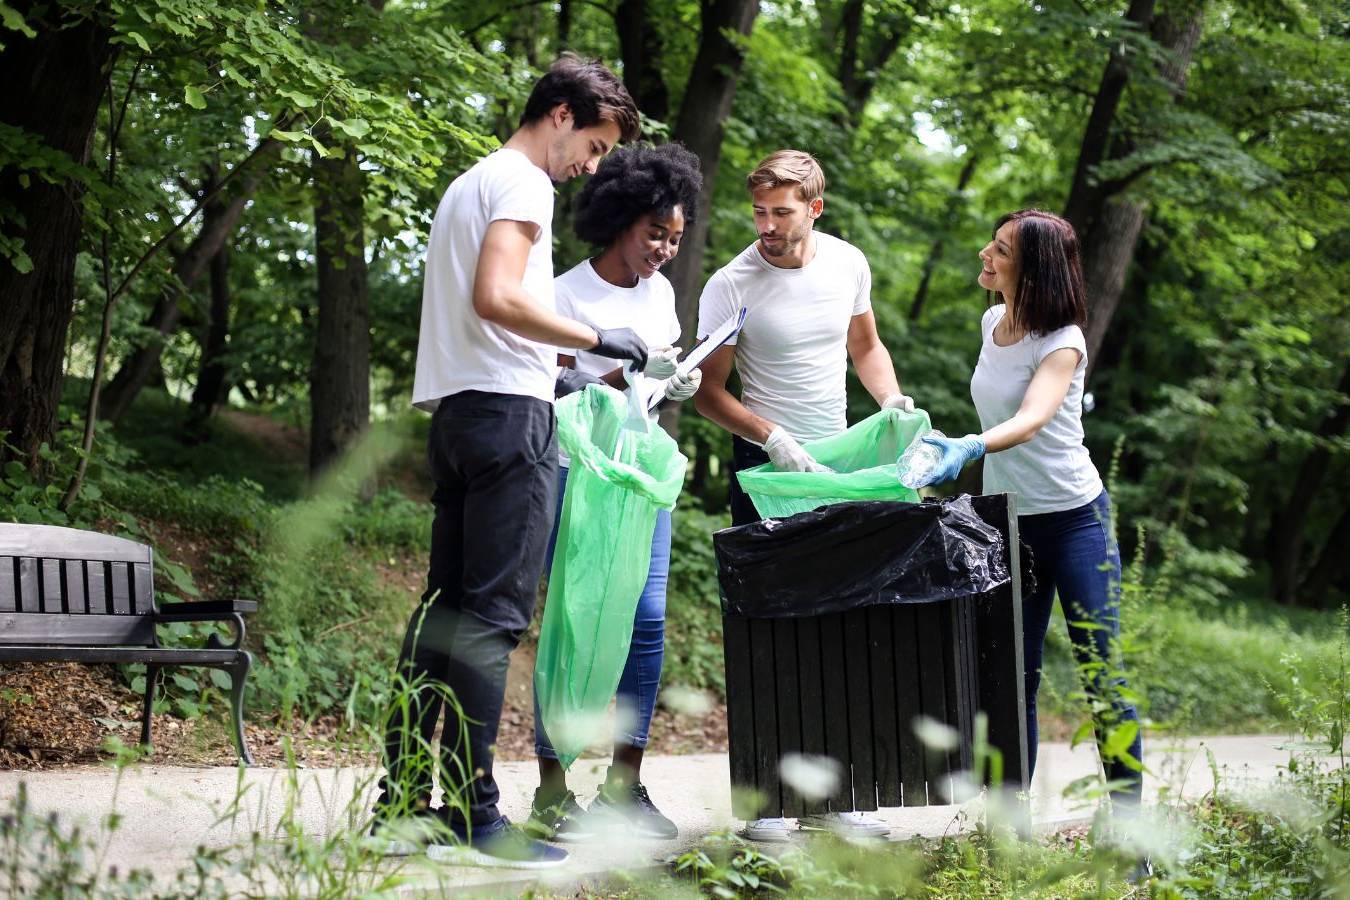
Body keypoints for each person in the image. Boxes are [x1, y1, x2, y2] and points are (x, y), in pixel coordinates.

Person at [371, 54, 647, 870]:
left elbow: (488, 318)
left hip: (459, 417)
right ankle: (475, 815)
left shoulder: (470, 183)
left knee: (443, 615)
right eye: (594, 146)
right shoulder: (526, 184)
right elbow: (496, 296)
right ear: (561, 115)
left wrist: (561, 366)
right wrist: (597, 337)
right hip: (508, 425)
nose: (591, 166)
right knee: (491, 622)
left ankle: (402, 807)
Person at [692, 149, 914, 842]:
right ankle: (767, 806)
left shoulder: (847, 263)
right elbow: (708, 392)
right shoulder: (732, 284)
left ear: (814, 209)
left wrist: (890, 399)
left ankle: (836, 801)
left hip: (835, 465)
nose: (767, 225)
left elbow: (865, 346)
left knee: (839, 626)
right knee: (769, 628)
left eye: (781, 212)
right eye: (758, 211)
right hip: (766, 468)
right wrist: (771, 435)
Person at [908, 209, 1144, 819]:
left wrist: (969, 448)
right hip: (1009, 523)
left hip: (1076, 520)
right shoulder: (992, 322)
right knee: (1013, 677)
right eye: (992, 243)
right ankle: (1012, 830)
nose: (985, 254)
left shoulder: (1062, 340)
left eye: (1002, 250)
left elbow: (1033, 417)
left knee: (1102, 673)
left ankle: (1130, 832)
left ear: (1034, 270)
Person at [525, 142, 704, 844]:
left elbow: (649, 390)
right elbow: (551, 388)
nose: (665, 250)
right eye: (656, 232)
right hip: (576, 471)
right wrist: (625, 375)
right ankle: (551, 791)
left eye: (675, 238)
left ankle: (624, 788)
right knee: (572, 622)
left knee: (648, 622)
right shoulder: (565, 295)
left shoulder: (659, 295)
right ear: (621, 219)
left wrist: (671, 381)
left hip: (640, 475)